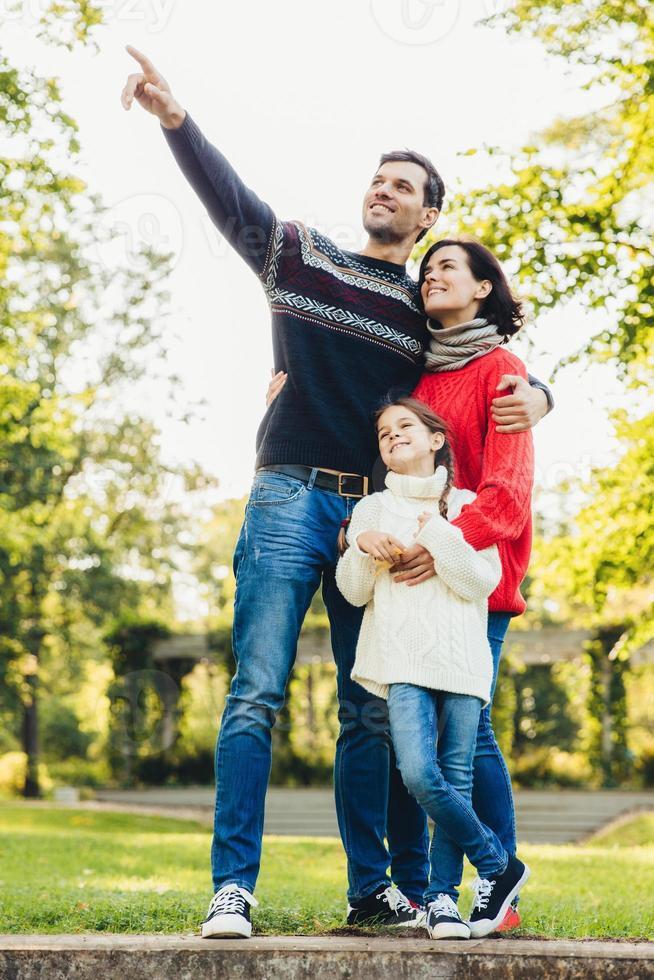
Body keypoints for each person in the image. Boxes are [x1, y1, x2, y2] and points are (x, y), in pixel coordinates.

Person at [120, 46, 551, 939]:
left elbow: (492, 361)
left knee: (375, 707)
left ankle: (374, 891)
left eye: (403, 186)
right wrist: (176, 121)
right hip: (287, 501)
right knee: (257, 693)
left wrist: (545, 396)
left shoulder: (421, 315)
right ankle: (231, 889)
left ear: (431, 213)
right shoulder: (302, 256)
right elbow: (232, 205)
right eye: (377, 180)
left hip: (376, 523)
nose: (383, 191)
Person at [267, 237, 536, 929]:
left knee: (471, 742)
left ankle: (496, 881)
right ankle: (427, 891)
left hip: (477, 576)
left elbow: (507, 493)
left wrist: (439, 543)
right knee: (416, 742)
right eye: (429, 270)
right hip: (412, 592)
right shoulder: (417, 379)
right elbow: (383, 453)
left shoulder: (503, 369)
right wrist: (286, 399)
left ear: (483, 288)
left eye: (449, 267)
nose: (431, 277)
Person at [335, 397, 530, 939]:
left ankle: (442, 900)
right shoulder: (372, 510)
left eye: (405, 427)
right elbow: (352, 594)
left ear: (436, 439)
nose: (393, 436)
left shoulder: (466, 504)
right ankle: (497, 863)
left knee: (458, 781)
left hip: (463, 664)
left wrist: (441, 534)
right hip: (402, 663)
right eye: (383, 434)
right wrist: (359, 547)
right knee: (420, 772)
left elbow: (480, 584)